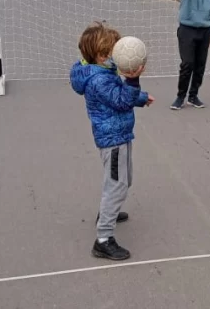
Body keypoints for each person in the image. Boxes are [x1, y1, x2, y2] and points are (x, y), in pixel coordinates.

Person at [70, 22, 154, 261]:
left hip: (118, 134)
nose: (116, 59)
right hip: (113, 139)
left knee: (123, 180)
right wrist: (134, 82)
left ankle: (109, 211)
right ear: (100, 56)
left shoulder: (101, 72)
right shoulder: (99, 80)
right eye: (112, 54)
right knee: (117, 184)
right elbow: (120, 100)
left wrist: (141, 98)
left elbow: (119, 97)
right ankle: (103, 239)